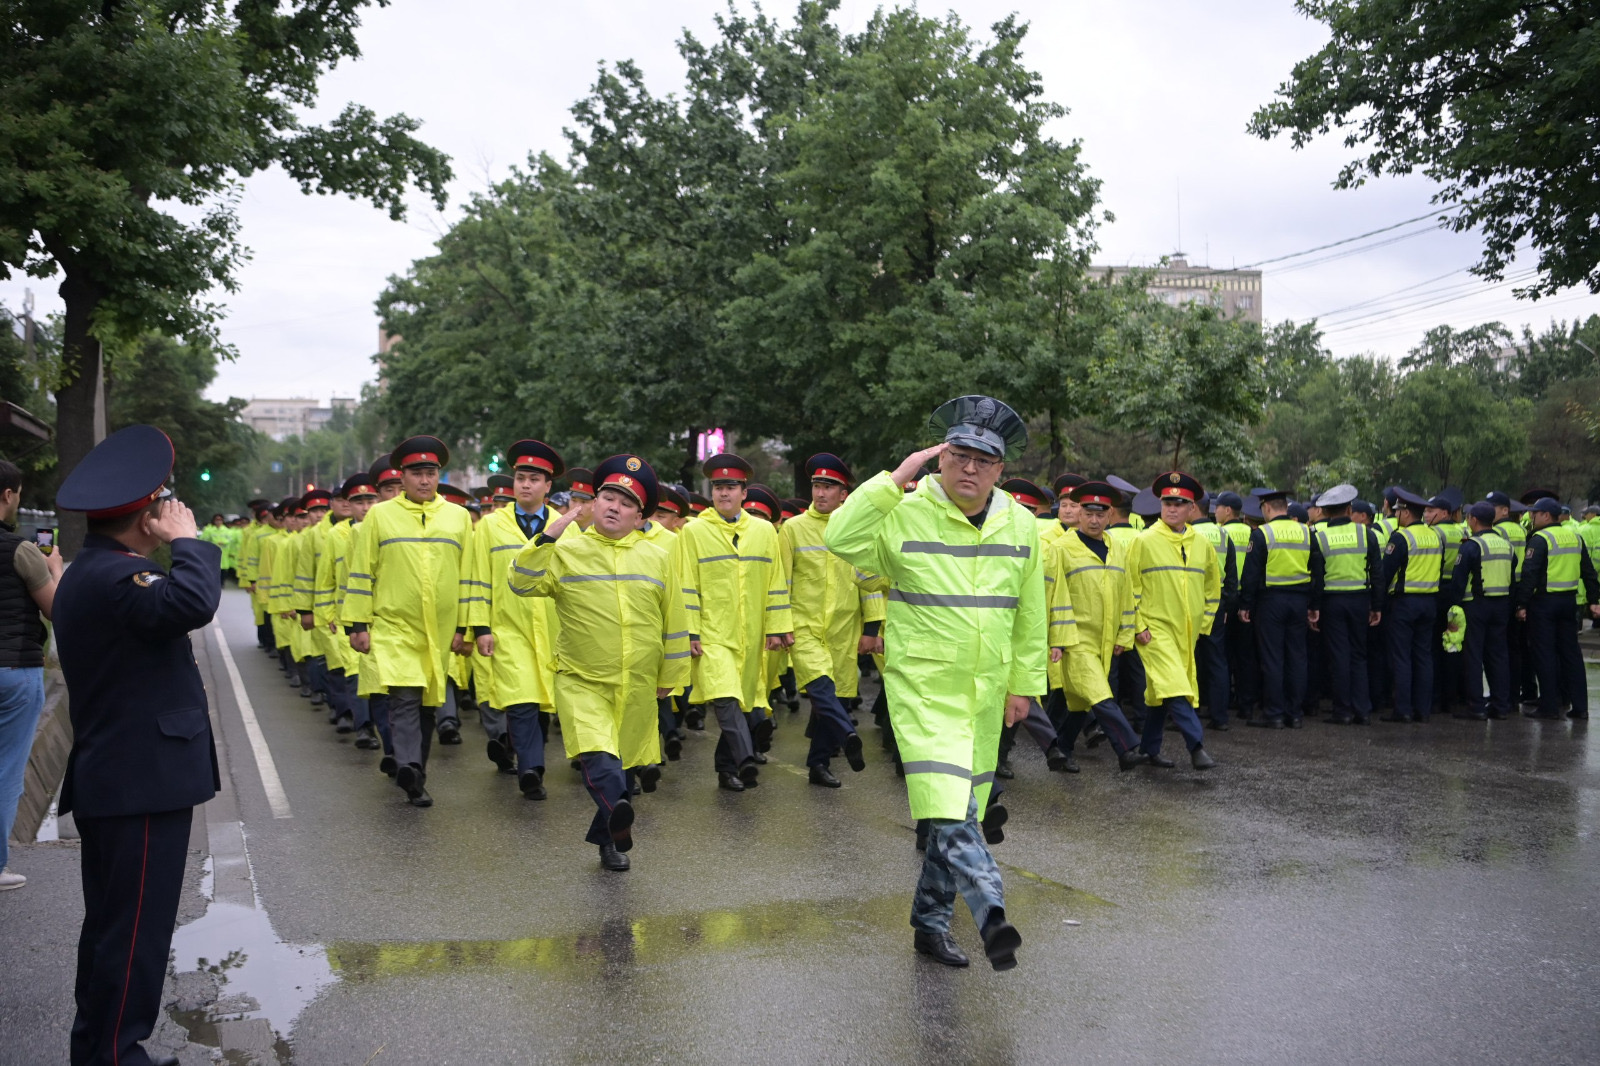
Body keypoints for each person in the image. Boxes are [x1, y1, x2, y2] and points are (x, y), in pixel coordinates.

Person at [826, 394, 1039, 972]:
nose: (970, 468)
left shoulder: (1022, 523)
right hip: (923, 689)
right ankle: (991, 913)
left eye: (984, 460)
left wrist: (1023, 684)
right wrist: (895, 478)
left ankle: (929, 923)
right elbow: (839, 538)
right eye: (959, 455)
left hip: (986, 691)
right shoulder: (903, 511)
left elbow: (1029, 611)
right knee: (948, 811)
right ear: (939, 458)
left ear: (1001, 470)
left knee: (961, 809)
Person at [53, 425, 222, 1066]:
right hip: (137, 782)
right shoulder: (120, 579)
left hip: (120, 778)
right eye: (162, 504)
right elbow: (192, 603)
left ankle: (98, 1049)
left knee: (111, 930)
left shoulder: (95, 569)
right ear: (147, 514)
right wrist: (189, 543)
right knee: (134, 936)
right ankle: (118, 1056)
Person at [509, 454, 691, 871]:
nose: (614, 506)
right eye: (608, 496)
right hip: (582, 679)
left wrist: (672, 676)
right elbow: (521, 584)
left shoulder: (658, 557)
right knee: (599, 756)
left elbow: (674, 621)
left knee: (623, 768)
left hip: (638, 682)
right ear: (592, 503)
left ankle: (608, 840)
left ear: (640, 516)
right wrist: (548, 536)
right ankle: (617, 819)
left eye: (627, 503)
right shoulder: (567, 552)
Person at [344, 436, 473, 807]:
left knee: (429, 703)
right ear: (402, 476)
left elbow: (468, 575)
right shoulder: (380, 516)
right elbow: (361, 572)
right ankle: (410, 767)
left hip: (442, 628)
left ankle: (416, 769)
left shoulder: (458, 517)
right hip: (393, 626)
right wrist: (357, 624)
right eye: (416, 473)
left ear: (438, 475)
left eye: (430, 472)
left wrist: (466, 626)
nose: (424, 480)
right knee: (403, 697)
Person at [673, 452, 793, 793]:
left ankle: (726, 769)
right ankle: (745, 760)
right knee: (724, 697)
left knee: (745, 702)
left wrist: (778, 627)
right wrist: (691, 632)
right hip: (713, 633)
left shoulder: (764, 531)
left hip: (753, 635)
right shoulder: (693, 532)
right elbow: (687, 585)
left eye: (731, 487)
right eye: (718, 487)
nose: (724, 493)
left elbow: (775, 582)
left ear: (744, 492)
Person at [779, 453, 886, 788]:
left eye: (829, 487)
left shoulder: (856, 531)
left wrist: (871, 629)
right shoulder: (793, 529)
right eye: (816, 485)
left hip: (843, 628)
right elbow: (781, 582)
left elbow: (868, 583)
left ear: (844, 494)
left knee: (837, 693)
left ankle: (819, 763)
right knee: (821, 686)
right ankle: (848, 733)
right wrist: (779, 625)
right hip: (804, 625)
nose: (821, 493)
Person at [468, 440, 563, 799]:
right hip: (507, 627)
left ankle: (511, 745)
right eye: (521, 478)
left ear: (547, 486)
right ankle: (532, 770)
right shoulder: (491, 526)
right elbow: (478, 577)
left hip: (553, 628)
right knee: (521, 699)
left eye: (534, 479)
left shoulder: (564, 525)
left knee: (541, 702)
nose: (526, 485)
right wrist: (480, 628)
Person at [1046, 481, 1143, 773]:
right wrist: (1056, 640)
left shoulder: (1117, 548)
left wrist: (1125, 634)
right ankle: (1127, 748)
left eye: (1101, 514)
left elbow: (1127, 594)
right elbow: (1052, 597)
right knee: (1101, 695)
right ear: (1079, 513)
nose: (1094, 519)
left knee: (1078, 703)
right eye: (1088, 513)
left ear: (1110, 514)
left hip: (1105, 640)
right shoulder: (1061, 549)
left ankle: (1059, 751)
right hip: (1075, 640)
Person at [1126, 472, 1219, 770]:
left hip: (1187, 633)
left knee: (1160, 692)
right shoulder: (1144, 540)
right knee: (1177, 688)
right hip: (1155, 631)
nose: (1172, 508)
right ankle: (1197, 747)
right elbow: (1128, 588)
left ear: (1192, 508)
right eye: (1167, 502)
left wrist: (1204, 623)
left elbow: (1212, 588)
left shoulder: (1202, 544)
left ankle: (1148, 749)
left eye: (1179, 503)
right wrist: (1138, 625)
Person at [0, 460, 63, 891]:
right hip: (14, 673)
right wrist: (54, 568)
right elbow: (57, 609)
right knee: (6, 771)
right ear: (8, 495)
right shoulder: (21, 550)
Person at [1515, 497, 1600, 720]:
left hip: (1544, 604)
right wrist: (1593, 599)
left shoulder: (1540, 539)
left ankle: (1549, 706)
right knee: (1571, 654)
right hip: (1568, 602)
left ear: (1546, 516)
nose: (1531, 517)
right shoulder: (1575, 537)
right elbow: (1589, 572)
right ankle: (1580, 707)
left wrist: (1521, 603)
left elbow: (1530, 575)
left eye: (1535, 513)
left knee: (1544, 654)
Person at [1240, 488, 1316, 728]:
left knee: (1273, 659)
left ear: (1267, 508)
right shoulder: (1306, 532)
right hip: (1299, 600)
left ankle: (1274, 713)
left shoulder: (1263, 532)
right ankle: (1294, 714)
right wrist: (1314, 604)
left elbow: (1251, 574)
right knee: (1297, 657)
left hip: (1271, 602)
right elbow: (1318, 569)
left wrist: (1246, 604)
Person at [1308, 485, 1383, 725]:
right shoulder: (1366, 534)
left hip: (1332, 602)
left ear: (1326, 513)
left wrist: (1314, 607)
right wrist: (1377, 605)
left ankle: (1343, 711)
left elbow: (1317, 577)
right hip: (1361, 599)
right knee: (1359, 655)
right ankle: (1362, 710)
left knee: (1339, 655)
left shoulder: (1319, 537)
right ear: (1350, 509)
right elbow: (1377, 573)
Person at [1444, 502, 1516, 720]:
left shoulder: (1471, 546)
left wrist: (1453, 606)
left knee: (1473, 656)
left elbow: (1458, 581)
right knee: (1498, 656)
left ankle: (1476, 706)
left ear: (1474, 519)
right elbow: (1512, 579)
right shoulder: (1506, 545)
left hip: (1476, 605)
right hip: (1501, 605)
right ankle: (1501, 705)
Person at [1380, 488, 1443, 723]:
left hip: (1404, 603)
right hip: (1429, 601)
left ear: (1406, 513)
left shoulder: (1401, 537)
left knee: (1402, 657)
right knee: (1424, 656)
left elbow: (1386, 572)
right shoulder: (1435, 535)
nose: (1396, 515)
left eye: (1398, 511)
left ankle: (1403, 709)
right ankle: (1422, 710)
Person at [1190, 493, 1237, 730]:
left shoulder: (1186, 535)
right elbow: (1231, 575)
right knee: (1217, 659)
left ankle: (1188, 712)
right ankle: (1219, 716)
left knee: (1188, 657)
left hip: (1190, 601)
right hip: (1216, 602)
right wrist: (1227, 605)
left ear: (1193, 508)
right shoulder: (1222, 534)